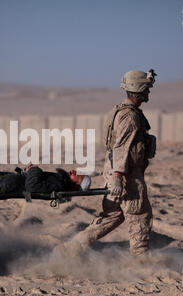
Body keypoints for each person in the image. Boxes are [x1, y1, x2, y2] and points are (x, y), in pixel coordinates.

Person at [55, 69, 157, 257]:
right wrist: (118, 177)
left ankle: (72, 248)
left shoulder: (119, 111)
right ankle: (141, 260)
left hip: (114, 173)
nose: (149, 92)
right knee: (139, 215)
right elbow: (121, 147)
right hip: (127, 176)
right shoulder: (130, 117)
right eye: (147, 89)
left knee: (113, 215)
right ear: (140, 89)